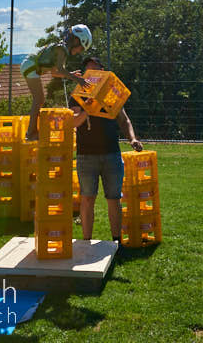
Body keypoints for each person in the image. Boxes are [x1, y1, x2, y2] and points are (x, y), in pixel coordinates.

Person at [70, 56, 142, 246]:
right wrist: (88, 108)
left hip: (112, 153)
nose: (93, 75)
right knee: (87, 199)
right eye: (89, 72)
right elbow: (73, 122)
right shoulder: (78, 95)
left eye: (97, 71)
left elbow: (124, 120)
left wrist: (132, 139)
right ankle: (86, 242)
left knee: (114, 199)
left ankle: (117, 242)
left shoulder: (111, 93)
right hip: (86, 156)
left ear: (103, 71)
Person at [20, 24, 93, 141]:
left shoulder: (61, 49)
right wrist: (78, 79)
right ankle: (31, 133)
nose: (80, 51)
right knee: (39, 99)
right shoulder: (62, 49)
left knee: (39, 99)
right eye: (81, 48)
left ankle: (32, 131)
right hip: (31, 66)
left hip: (30, 66)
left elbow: (54, 73)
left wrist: (71, 75)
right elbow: (60, 69)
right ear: (76, 40)